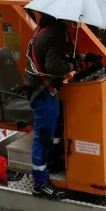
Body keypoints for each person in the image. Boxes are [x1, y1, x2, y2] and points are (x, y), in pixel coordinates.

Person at [24, 13, 78, 199]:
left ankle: (52, 160)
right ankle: (40, 183)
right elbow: (54, 66)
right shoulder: (54, 35)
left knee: (55, 129)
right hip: (44, 93)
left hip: (41, 90)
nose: (73, 24)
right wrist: (71, 65)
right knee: (44, 137)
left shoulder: (42, 30)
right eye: (70, 20)